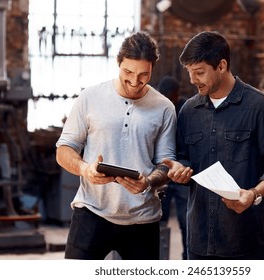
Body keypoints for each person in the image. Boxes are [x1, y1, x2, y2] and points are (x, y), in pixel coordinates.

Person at [163, 31, 264, 260]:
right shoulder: (189, 111)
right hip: (200, 241)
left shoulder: (261, 108)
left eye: (199, 72)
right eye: (190, 73)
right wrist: (180, 169)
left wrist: (253, 194)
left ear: (221, 66)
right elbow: (183, 156)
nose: (193, 80)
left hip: (247, 241)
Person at [55, 31, 177, 260]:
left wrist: (148, 182)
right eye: (128, 72)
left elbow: (166, 164)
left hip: (143, 219)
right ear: (118, 62)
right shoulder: (89, 97)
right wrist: (85, 169)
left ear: (153, 69)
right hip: (91, 212)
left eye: (144, 74)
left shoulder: (165, 108)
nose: (134, 81)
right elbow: (63, 150)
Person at [157, 76, 189, 259]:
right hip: (162, 172)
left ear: (177, 95)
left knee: (187, 222)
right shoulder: (156, 107)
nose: (170, 102)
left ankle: (188, 261)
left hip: (183, 172)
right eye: (166, 98)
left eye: (173, 98)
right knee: (159, 219)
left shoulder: (186, 109)